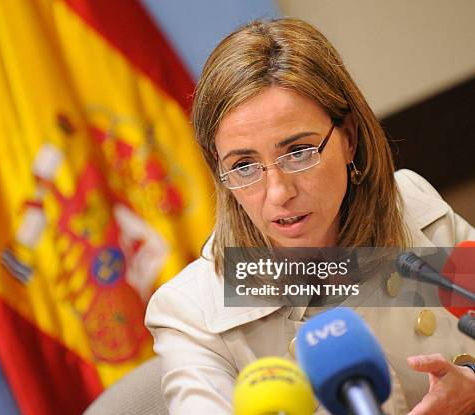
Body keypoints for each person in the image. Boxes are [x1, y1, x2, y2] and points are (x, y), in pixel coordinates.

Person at [145, 18, 475, 414]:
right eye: (244, 165)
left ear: (349, 138)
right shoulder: (192, 315)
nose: (279, 193)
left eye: (299, 152)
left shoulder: (413, 206)